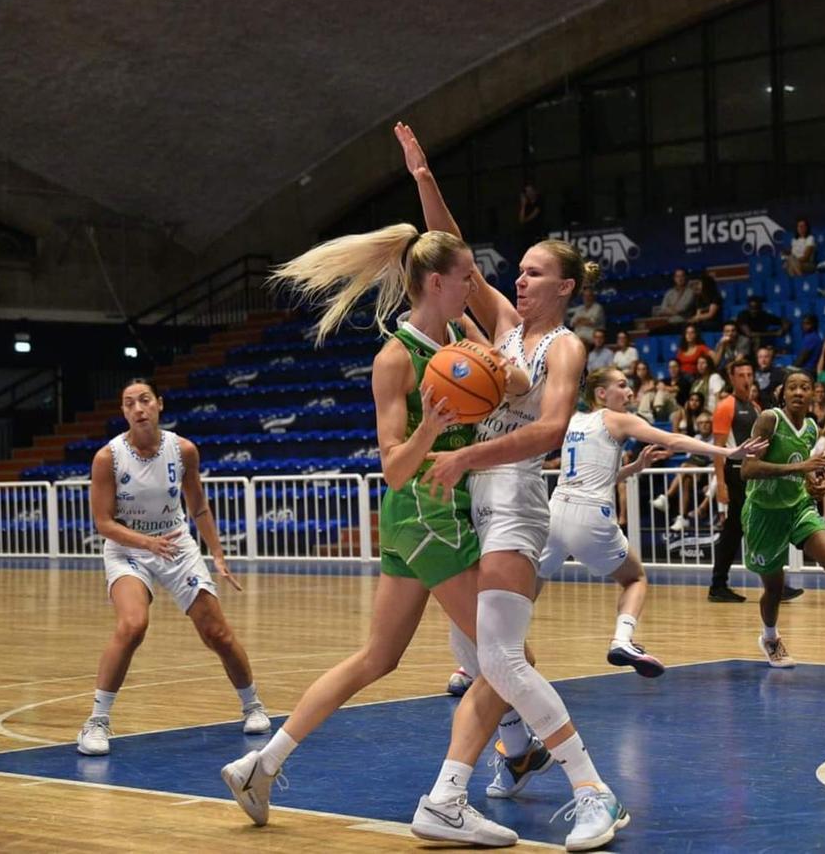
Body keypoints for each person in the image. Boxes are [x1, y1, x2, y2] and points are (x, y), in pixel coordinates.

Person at [222, 222, 530, 846]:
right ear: (438, 281)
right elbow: (392, 465)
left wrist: (490, 357)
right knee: (509, 661)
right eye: (467, 275)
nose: (476, 284)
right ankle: (448, 799)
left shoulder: (455, 340)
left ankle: (262, 764)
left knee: (377, 658)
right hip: (426, 514)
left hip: (426, 520)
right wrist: (432, 427)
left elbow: (519, 385)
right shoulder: (395, 357)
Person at [397, 121, 630, 852]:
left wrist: (468, 456)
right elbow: (458, 257)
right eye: (517, 272)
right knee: (481, 663)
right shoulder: (499, 327)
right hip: (469, 504)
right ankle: (451, 795)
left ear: (563, 287)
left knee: (497, 659)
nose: (517, 280)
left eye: (533, 273)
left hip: (515, 505)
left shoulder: (564, 345)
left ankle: (593, 792)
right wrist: (425, 178)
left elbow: (554, 428)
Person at [78, 379, 271, 756]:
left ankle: (253, 706)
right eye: (129, 403)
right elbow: (103, 523)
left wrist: (215, 553)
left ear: (159, 404)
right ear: (123, 412)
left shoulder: (183, 450)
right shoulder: (107, 458)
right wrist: (146, 543)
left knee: (217, 633)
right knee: (133, 625)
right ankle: (96, 723)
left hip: (175, 544)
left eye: (145, 400)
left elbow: (197, 504)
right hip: (128, 549)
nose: (138, 408)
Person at [539, 368, 767, 675]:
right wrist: (728, 450)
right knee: (635, 579)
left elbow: (594, 479)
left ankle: (477, 659)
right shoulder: (616, 419)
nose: (630, 392)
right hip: (590, 516)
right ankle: (622, 639)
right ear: (601, 394)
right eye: (622, 385)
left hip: (556, 512)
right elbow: (672, 439)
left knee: (527, 587)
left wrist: (635, 467)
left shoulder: (574, 422)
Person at [741, 370, 825, 667]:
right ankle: (769, 638)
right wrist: (802, 467)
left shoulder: (811, 429)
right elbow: (747, 470)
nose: (799, 392)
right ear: (783, 393)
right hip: (764, 513)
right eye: (793, 387)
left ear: (814, 393)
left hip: (798, 507)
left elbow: (801, 472)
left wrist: (811, 484)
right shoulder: (770, 420)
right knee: (775, 588)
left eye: (805, 387)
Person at [707, 360, 803, 604]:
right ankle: (725, 584)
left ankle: (720, 584)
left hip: (750, 473)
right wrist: (721, 483)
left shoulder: (755, 406)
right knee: (746, 526)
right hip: (734, 472)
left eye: (749, 374)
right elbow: (718, 448)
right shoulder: (725, 406)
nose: (747, 379)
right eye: (741, 375)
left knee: (738, 528)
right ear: (731, 377)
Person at [651, 411, 716, 531]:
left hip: (709, 474)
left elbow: (714, 461)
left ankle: (667, 496)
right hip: (695, 473)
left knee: (685, 467)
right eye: (701, 423)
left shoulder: (716, 438)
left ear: (712, 424)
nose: (704, 425)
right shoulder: (696, 438)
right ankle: (682, 518)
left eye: (707, 422)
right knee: (685, 479)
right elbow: (691, 457)